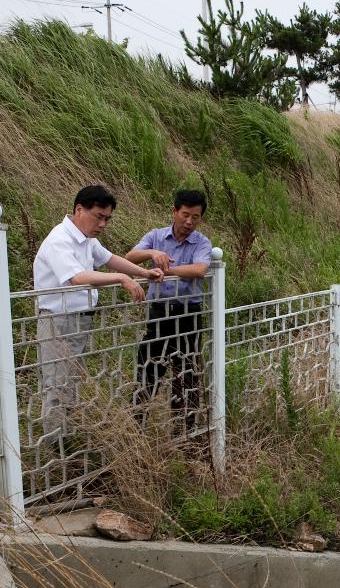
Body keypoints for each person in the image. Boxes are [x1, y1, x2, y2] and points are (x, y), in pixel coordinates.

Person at [33, 184, 162, 438]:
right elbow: (77, 277)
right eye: (98, 216)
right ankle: (54, 450)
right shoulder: (60, 240)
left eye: (107, 218)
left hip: (79, 320)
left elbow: (109, 258)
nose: (103, 224)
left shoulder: (87, 240)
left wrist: (143, 272)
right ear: (79, 210)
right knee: (58, 388)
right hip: (58, 320)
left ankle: (65, 441)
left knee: (69, 385)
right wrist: (121, 279)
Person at [124, 189, 212, 423]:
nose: (189, 222)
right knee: (148, 367)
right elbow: (130, 257)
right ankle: (135, 427)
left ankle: (186, 431)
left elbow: (199, 269)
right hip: (159, 312)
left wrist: (166, 271)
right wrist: (153, 254)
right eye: (185, 215)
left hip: (188, 314)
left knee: (187, 373)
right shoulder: (156, 237)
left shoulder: (201, 242)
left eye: (195, 217)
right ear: (174, 212)